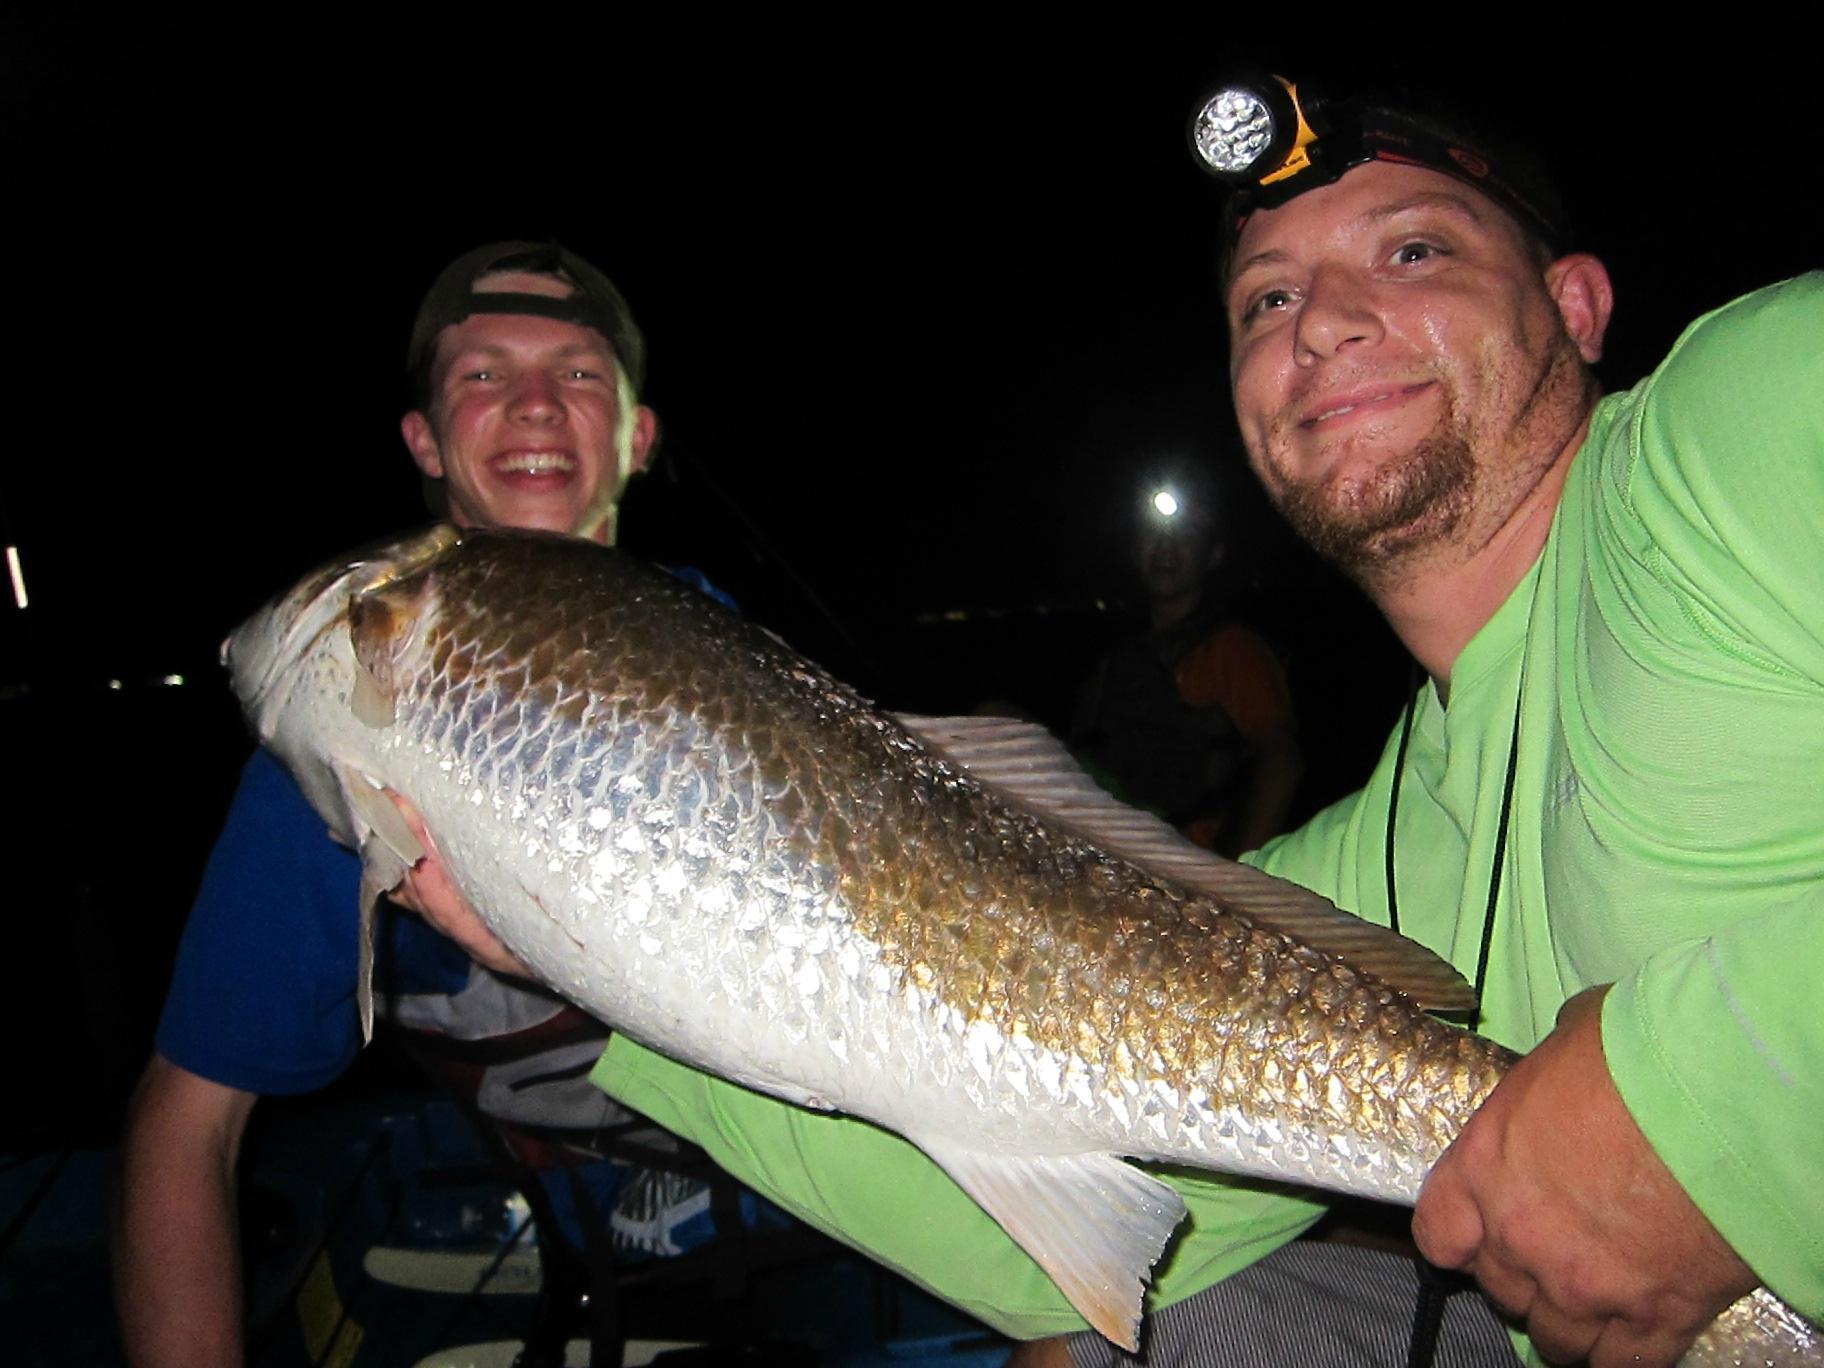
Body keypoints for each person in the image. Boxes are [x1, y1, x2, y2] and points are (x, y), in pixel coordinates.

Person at [567, 80, 1821, 1368]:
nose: (1322, 322)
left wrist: (1707, 1109)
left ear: (1575, 304)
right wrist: (588, 911)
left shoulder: (1741, 422)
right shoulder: (1381, 859)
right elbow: (1012, 1200)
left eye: (1413, 249)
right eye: (1265, 300)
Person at [113, 241, 666, 1367]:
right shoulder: (357, 713)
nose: (532, 406)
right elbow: (191, 1121)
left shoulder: (724, 638)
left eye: (578, 372)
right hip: (598, 1169)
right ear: (424, 439)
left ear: (636, 434)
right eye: (481, 374)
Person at [1072, 462, 1303, 857]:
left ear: (1212, 555)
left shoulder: (1235, 651)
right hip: (1114, 856)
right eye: (1153, 536)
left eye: (1185, 537)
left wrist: (1237, 876)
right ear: (1134, 551)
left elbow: (1282, 761)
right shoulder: (1116, 658)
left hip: (1191, 861)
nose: (1165, 549)